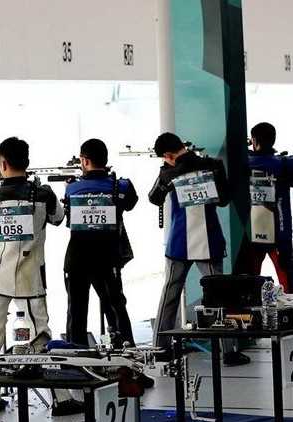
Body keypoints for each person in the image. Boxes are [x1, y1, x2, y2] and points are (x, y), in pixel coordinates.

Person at [0, 137, 82, 416]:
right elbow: (59, 218)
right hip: (30, 275)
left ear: (2, 163)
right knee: (40, 335)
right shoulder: (43, 194)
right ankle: (60, 398)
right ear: (27, 161)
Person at [149, 133, 250, 366]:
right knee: (220, 296)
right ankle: (230, 351)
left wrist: (168, 176)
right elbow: (224, 199)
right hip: (209, 240)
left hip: (178, 242)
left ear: (168, 155)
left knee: (169, 295)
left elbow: (154, 198)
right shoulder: (212, 165)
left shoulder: (168, 172)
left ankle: (160, 348)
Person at [63, 139, 137, 348]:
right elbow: (130, 203)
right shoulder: (121, 186)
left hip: (77, 257)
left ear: (85, 161)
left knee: (76, 311)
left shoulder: (72, 188)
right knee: (115, 306)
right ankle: (126, 351)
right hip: (108, 256)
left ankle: (77, 356)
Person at [234, 122, 293, 292]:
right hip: (279, 233)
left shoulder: (244, 163)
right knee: (288, 283)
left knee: (249, 285)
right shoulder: (283, 164)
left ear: (253, 140)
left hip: (251, 232)